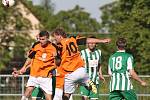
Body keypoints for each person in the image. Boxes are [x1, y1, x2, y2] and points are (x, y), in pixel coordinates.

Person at [52, 28, 111, 100]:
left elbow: (58, 63)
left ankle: (88, 83)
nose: (55, 39)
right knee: (87, 81)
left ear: (59, 36)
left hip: (71, 74)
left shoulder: (59, 46)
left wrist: (55, 56)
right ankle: (89, 82)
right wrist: (102, 40)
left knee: (65, 95)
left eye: (55, 37)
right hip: (82, 70)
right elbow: (88, 40)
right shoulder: (73, 39)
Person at [12, 31, 59, 100]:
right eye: (40, 39)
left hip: (46, 77)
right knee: (26, 94)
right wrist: (23, 68)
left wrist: (56, 58)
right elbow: (30, 57)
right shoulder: (36, 45)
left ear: (47, 38)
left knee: (49, 98)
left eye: (43, 39)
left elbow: (58, 63)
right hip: (34, 74)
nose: (41, 41)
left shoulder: (54, 47)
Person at [80, 36, 105, 100]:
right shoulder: (83, 52)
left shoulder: (99, 52)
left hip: (95, 81)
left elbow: (99, 64)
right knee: (84, 98)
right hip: (85, 80)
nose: (91, 44)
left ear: (96, 44)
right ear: (87, 43)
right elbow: (79, 65)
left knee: (94, 98)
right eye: (90, 43)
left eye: (93, 43)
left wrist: (100, 74)